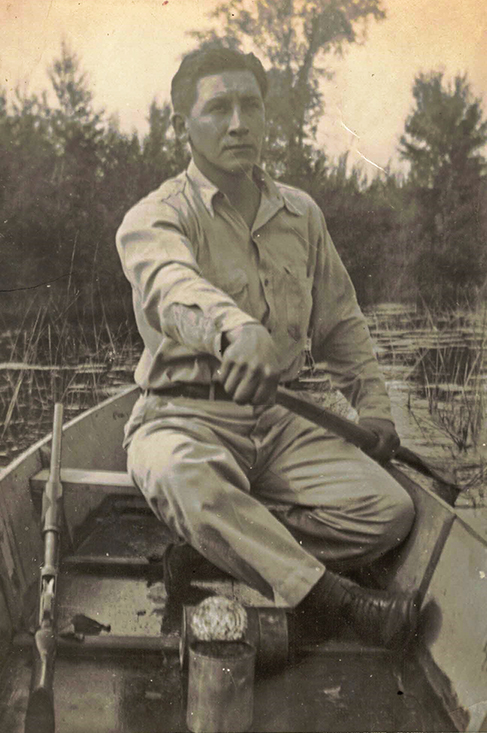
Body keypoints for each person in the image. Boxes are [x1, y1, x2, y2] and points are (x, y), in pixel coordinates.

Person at [116, 46, 419, 649]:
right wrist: (235, 330)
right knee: (179, 475)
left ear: (265, 116)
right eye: (218, 108)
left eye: (250, 105)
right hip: (182, 419)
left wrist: (376, 408)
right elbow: (169, 288)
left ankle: (212, 555)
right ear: (183, 126)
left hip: (276, 423)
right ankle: (335, 600)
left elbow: (340, 324)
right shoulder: (153, 218)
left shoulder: (301, 214)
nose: (238, 123)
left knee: (390, 512)